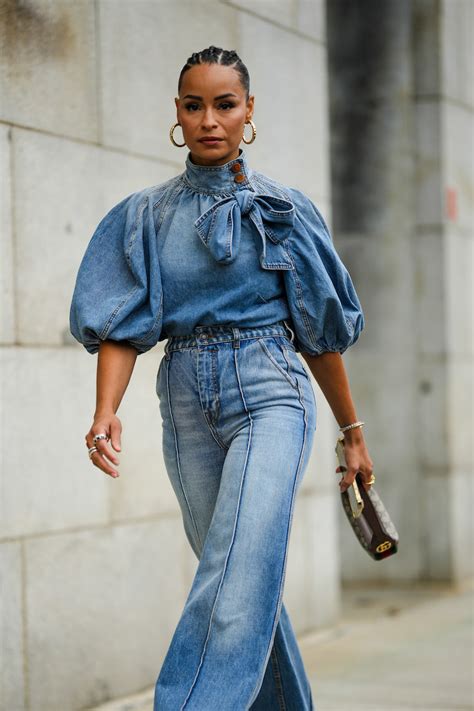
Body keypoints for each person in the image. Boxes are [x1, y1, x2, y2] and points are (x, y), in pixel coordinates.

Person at [69, 45, 374, 711]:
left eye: (225, 104)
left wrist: (351, 432)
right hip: (184, 401)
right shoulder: (146, 216)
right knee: (241, 576)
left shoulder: (283, 211)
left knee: (235, 578)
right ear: (177, 113)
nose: (210, 118)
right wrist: (105, 409)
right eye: (194, 104)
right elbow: (121, 325)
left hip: (271, 389)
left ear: (249, 111)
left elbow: (320, 336)